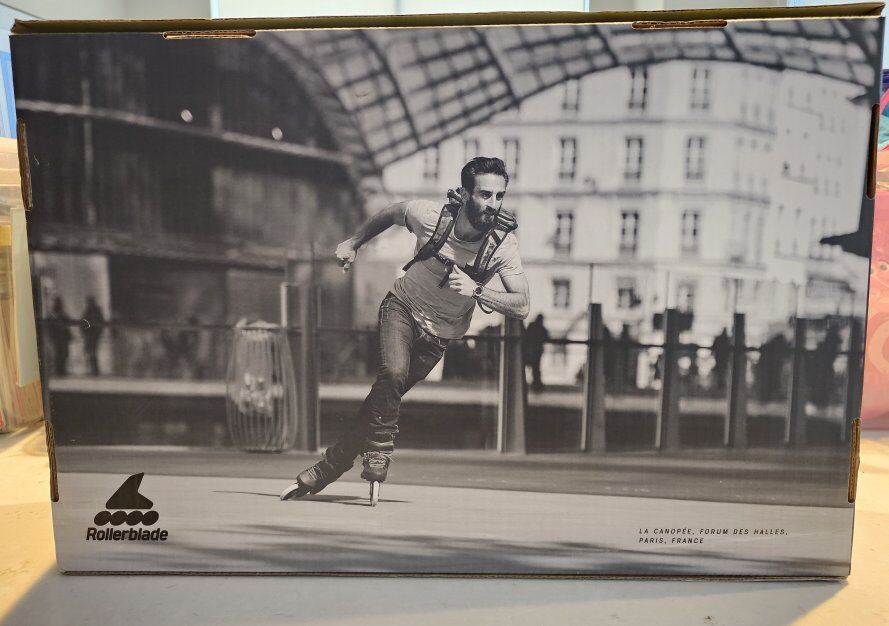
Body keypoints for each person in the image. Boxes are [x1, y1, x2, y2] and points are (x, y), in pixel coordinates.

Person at [281, 157, 529, 500]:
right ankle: (379, 451)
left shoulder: (503, 245)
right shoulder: (431, 217)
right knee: (393, 373)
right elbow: (392, 213)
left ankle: (328, 467)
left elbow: (522, 305)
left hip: (441, 334)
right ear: (465, 194)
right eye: (485, 195)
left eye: (499, 196)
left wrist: (477, 291)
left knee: (384, 396)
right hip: (402, 307)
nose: (493, 204)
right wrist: (353, 243)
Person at [523, 314, 549, 392]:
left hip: (531, 351)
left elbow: (527, 336)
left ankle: (535, 385)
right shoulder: (541, 328)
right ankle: (537, 385)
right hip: (536, 351)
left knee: (534, 369)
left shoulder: (532, 326)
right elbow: (546, 337)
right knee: (536, 369)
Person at [48, 296, 72, 376]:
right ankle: (60, 370)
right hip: (59, 337)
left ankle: (61, 370)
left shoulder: (57, 314)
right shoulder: (56, 314)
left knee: (61, 353)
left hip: (60, 337)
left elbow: (68, 320)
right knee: (60, 353)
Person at [81, 296, 105, 376]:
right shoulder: (91, 311)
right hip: (91, 335)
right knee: (91, 352)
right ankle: (93, 369)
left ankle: (94, 369)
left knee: (92, 351)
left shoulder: (92, 311)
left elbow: (84, 321)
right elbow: (84, 321)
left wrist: (86, 331)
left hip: (92, 335)